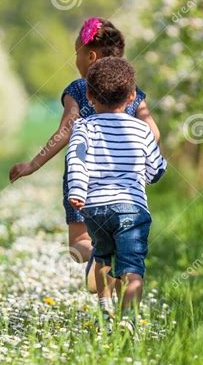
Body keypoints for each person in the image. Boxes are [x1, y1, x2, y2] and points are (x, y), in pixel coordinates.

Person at [9, 17, 159, 289]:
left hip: (84, 183)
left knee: (80, 244)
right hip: (126, 186)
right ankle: (113, 267)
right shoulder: (132, 92)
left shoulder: (79, 89)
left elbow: (67, 128)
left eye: (76, 54)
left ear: (90, 56)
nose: (75, 61)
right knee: (121, 239)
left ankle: (100, 260)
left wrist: (34, 164)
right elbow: (153, 133)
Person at [66, 56, 167, 328]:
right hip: (132, 208)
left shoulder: (84, 127)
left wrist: (77, 192)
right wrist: (153, 173)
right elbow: (155, 169)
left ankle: (104, 308)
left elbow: (76, 160)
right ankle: (129, 319)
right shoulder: (141, 129)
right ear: (132, 96)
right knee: (132, 267)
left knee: (101, 254)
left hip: (95, 208)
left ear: (88, 95)